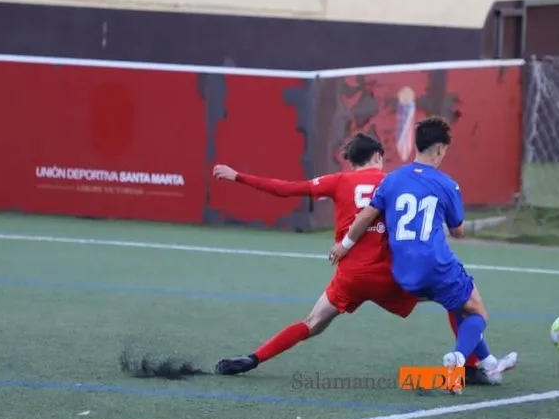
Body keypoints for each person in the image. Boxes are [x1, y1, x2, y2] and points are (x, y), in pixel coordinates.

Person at [212, 133, 512, 385]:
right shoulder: (393, 181)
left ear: (351, 161)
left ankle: (253, 358)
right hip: (390, 277)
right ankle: (469, 367)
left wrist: (238, 176)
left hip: (351, 277)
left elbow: (285, 189)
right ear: (378, 156)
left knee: (311, 323)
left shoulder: (337, 181)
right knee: (457, 300)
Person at [330, 117, 517, 394]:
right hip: (436, 265)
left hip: (403, 272)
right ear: (440, 148)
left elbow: (365, 216)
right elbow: (458, 232)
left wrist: (344, 245)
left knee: (458, 303)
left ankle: (490, 364)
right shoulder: (447, 185)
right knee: (477, 312)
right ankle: (458, 359)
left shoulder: (392, 179)